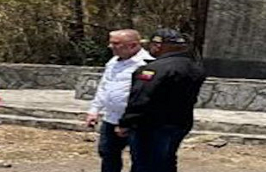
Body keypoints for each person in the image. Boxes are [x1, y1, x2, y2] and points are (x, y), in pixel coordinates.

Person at [116, 29, 206, 172]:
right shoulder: (194, 67)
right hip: (180, 122)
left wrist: (126, 122)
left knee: (145, 164)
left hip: (152, 125)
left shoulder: (154, 69)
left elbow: (141, 99)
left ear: (158, 45)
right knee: (167, 161)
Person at [86, 29, 154, 172]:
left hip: (134, 121)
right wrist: (94, 110)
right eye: (111, 43)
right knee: (107, 152)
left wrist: (129, 119)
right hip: (111, 118)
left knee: (139, 157)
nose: (110, 46)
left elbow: (145, 95)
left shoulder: (147, 64)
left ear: (133, 45)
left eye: (116, 43)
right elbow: (104, 86)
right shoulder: (112, 62)